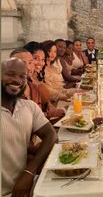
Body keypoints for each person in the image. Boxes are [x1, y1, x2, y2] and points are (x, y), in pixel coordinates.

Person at [1, 58, 57, 196]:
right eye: (10, 74)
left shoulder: (28, 106)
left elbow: (51, 135)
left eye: (22, 76)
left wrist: (29, 171)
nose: (17, 80)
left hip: (27, 187)